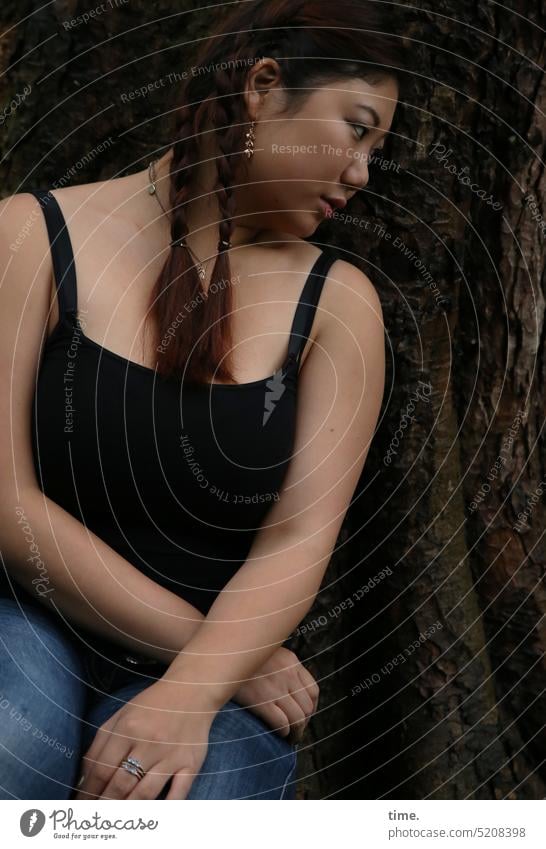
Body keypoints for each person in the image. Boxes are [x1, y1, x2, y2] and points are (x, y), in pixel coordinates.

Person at [0, 0, 407, 800]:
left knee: (200, 799)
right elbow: (4, 499)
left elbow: (299, 537)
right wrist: (228, 657)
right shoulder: (29, 236)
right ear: (263, 86)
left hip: (218, 673)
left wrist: (193, 690)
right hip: (26, 622)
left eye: (377, 151)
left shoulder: (339, 304)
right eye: (357, 129)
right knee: (13, 733)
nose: (363, 173)